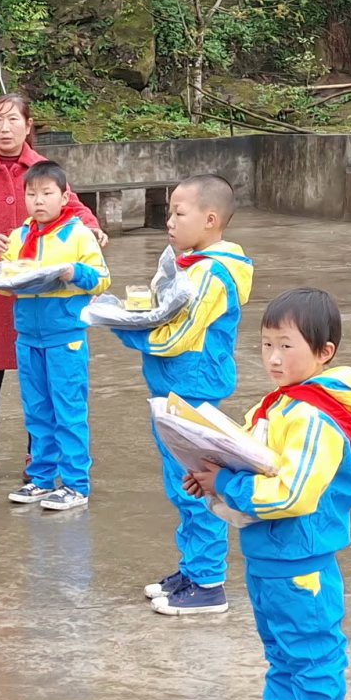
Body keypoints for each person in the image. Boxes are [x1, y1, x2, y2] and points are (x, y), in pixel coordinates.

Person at [187, 289, 351, 700]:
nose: (272, 358)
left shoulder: (314, 416)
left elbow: (290, 493)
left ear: (324, 352)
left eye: (286, 346)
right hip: (267, 552)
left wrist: (225, 483)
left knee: (313, 655)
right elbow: (249, 467)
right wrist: (210, 480)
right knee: (282, 651)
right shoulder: (278, 405)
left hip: (300, 558)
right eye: (266, 344)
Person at [0, 95, 103, 487]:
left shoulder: (41, 170)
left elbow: (74, 208)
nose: (5, 127)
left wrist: (92, 228)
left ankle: (38, 453)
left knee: (40, 377)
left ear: (28, 126)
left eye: (13, 119)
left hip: (39, 295)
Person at [111, 174, 252, 614]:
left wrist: (123, 328)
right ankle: (193, 569)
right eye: (169, 212)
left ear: (210, 220)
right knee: (179, 486)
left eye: (178, 212)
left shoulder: (214, 272)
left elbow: (178, 338)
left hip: (192, 389)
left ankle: (209, 583)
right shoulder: (186, 261)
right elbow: (160, 308)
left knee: (198, 486)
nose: (168, 221)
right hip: (171, 389)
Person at [0, 159, 107, 514]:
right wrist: (3, 281)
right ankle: (42, 479)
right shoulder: (20, 236)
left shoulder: (78, 234)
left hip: (66, 337)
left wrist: (72, 272)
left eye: (47, 193)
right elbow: (6, 282)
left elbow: (101, 278)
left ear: (64, 197)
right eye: (31, 194)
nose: (38, 201)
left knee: (69, 410)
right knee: (37, 412)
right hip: (27, 337)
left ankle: (76, 484)